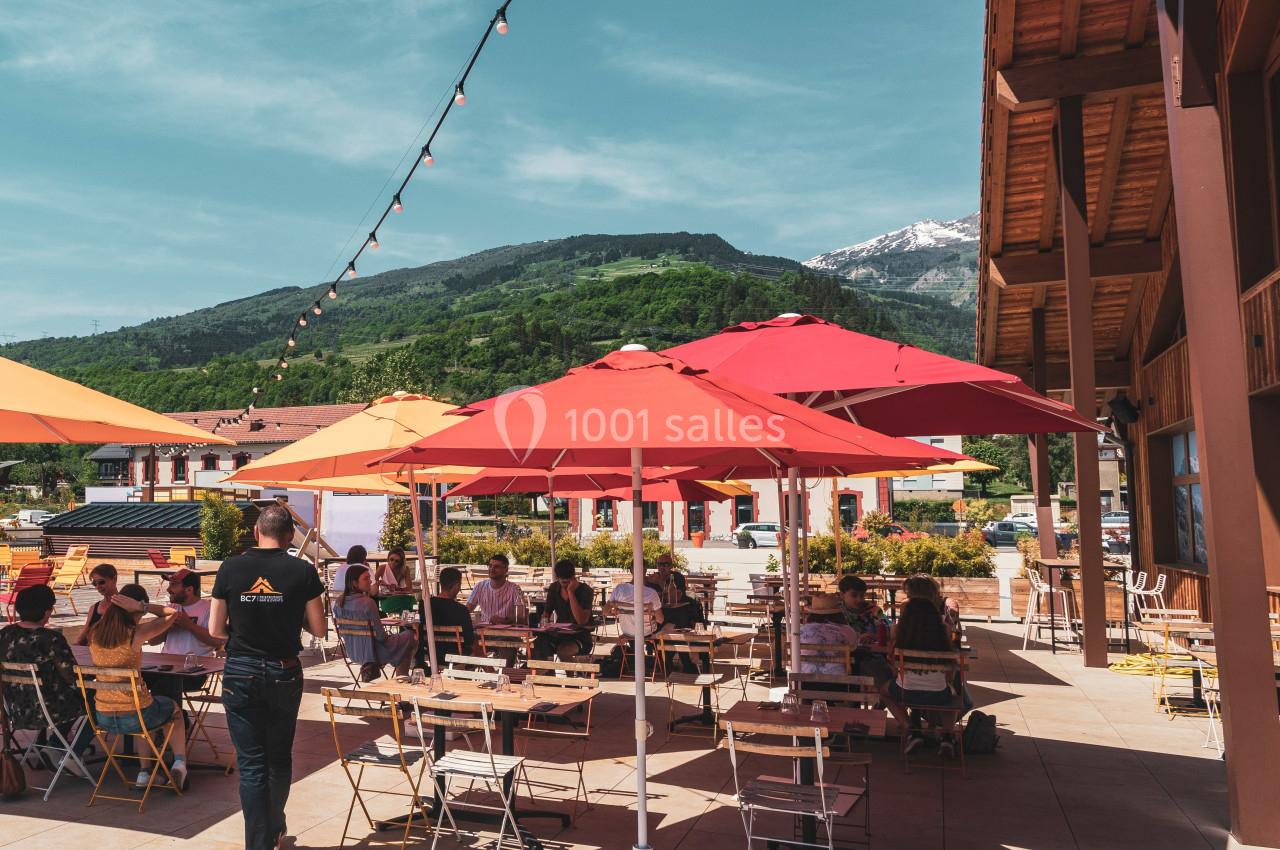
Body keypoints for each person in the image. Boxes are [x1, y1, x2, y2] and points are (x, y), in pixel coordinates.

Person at [210, 504, 326, 850]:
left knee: (251, 764)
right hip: (283, 670)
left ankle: (259, 843)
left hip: (240, 670)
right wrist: (291, 616)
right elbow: (318, 628)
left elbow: (216, 630)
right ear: (290, 537)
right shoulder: (302, 572)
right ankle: (273, 828)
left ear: (255, 532)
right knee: (278, 758)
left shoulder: (230, 568)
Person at [86, 583, 188, 790]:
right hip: (134, 715)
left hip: (103, 715)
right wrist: (143, 605)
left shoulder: (95, 632)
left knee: (144, 712)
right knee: (173, 710)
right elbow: (173, 613)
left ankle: (145, 772)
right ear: (134, 609)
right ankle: (180, 763)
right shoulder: (135, 633)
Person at [0, 585, 92, 761]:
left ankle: (58, 745)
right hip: (50, 708)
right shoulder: (51, 638)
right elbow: (72, 677)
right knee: (98, 701)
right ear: (46, 611)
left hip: (15, 708)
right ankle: (68, 752)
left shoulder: (4, 634)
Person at [881, 597, 970, 758]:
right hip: (938, 695)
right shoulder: (943, 636)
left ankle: (910, 729)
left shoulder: (901, 637)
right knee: (951, 695)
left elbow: (893, 667)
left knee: (884, 691)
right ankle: (947, 736)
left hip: (905, 693)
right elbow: (951, 668)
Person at [333, 565, 416, 679]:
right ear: (354, 583)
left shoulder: (339, 603)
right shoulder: (368, 603)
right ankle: (402, 678)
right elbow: (382, 637)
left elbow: (342, 634)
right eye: (366, 578)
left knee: (403, 643)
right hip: (374, 654)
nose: (370, 581)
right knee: (410, 637)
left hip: (353, 653)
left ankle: (401, 676)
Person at [536, 560, 595, 661]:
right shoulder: (554, 588)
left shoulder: (586, 590)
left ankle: (565, 675)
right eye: (562, 582)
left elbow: (581, 620)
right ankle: (543, 673)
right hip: (559, 634)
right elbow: (547, 612)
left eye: (567, 582)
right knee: (537, 645)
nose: (564, 584)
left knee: (564, 650)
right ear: (557, 578)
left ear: (573, 577)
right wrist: (544, 621)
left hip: (580, 636)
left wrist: (571, 592)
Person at [798, 593, 858, 675]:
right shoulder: (846, 630)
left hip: (806, 678)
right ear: (838, 613)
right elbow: (854, 646)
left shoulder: (801, 631)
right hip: (839, 680)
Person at [425, 566, 475, 662]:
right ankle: (492, 674)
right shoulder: (461, 610)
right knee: (478, 648)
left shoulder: (425, 605)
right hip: (457, 656)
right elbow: (470, 640)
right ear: (456, 585)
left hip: (432, 654)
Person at [646, 553, 704, 630]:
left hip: (677, 610)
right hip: (659, 611)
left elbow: (677, 597)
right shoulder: (653, 578)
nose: (662, 567)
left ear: (671, 566)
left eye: (665, 564)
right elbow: (650, 597)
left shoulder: (677, 577)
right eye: (660, 564)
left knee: (687, 611)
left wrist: (660, 583)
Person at [904, 574, 962, 648]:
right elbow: (954, 642)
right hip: (940, 656)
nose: (908, 597)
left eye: (910, 594)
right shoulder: (944, 628)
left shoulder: (947, 606)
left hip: (911, 657)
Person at [466, 554, 524, 625]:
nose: (492, 569)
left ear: (506, 569)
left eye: (496, 567)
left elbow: (521, 617)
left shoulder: (515, 589)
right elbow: (467, 610)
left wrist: (504, 621)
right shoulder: (479, 586)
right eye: (490, 566)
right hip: (484, 632)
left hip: (507, 633)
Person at [75, 563, 118, 646]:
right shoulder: (94, 608)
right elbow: (83, 636)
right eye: (95, 584)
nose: (98, 586)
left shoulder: (125, 605)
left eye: (101, 582)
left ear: (114, 579)